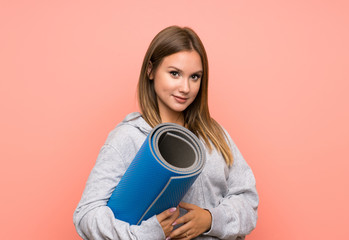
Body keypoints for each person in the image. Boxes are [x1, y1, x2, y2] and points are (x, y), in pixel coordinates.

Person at [73, 25, 258, 240]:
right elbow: (86, 215)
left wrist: (210, 220)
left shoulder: (215, 135)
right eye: (174, 74)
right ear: (150, 70)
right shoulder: (128, 137)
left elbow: (248, 200)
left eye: (195, 77)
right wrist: (144, 235)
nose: (185, 88)